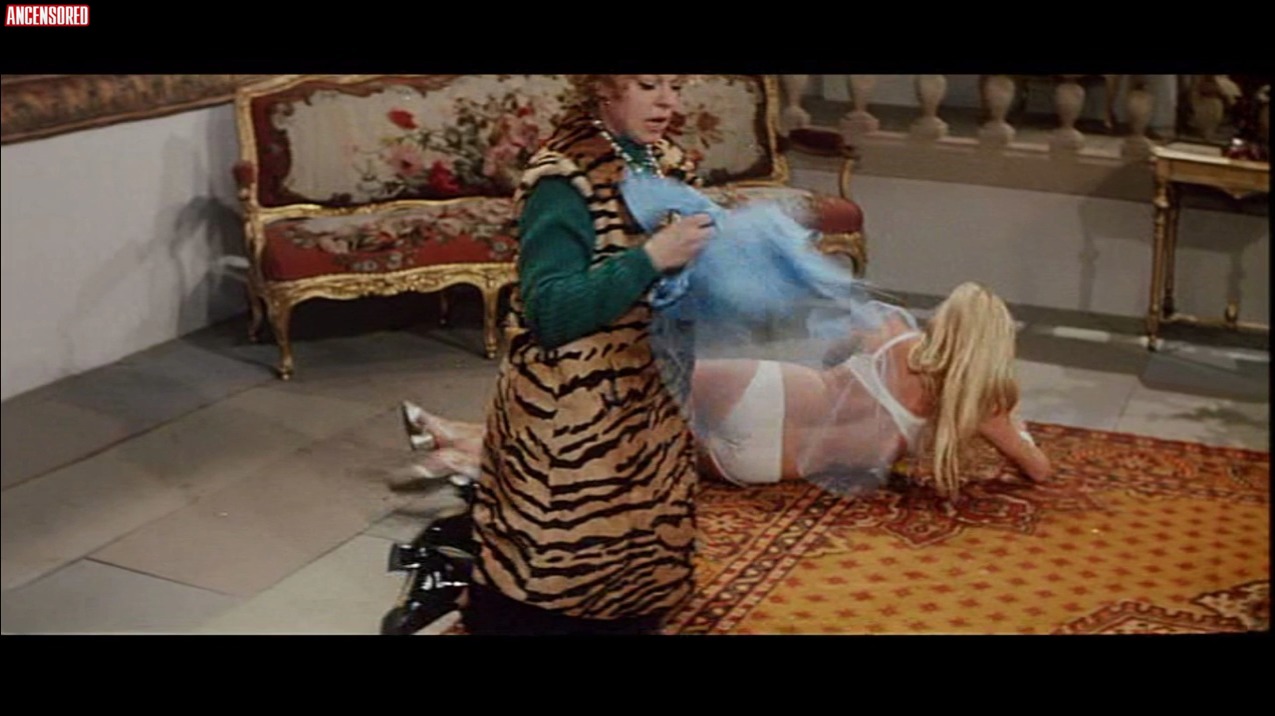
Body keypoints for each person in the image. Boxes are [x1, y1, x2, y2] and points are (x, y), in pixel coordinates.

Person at [405, 282, 1053, 501]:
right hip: (763, 465)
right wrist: (1010, 421)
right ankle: (470, 452)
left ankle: (473, 440)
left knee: (620, 399)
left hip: (768, 392)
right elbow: (1038, 471)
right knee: (632, 449)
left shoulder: (894, 335)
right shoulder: (983, 404)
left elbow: (830, 341)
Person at [462, 75, 713, 635]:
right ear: (603, 85)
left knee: (644, 550)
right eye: (648, 84)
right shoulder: (563, 179)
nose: (668, 101)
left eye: (675, 84)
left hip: (650, 396)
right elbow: (550, 311)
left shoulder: (665, 161)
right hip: (573, 414)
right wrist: (650, 259)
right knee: (563, 568)